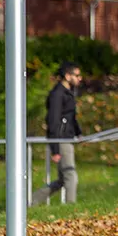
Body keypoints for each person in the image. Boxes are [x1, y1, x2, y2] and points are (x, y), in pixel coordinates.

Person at [31, 62, 83, 206]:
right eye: (77, 75)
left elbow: (71, 117)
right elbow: (53, 121)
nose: (80, 78)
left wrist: (78, 133)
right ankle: (71, 207)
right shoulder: (57, 94)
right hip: (61, 139)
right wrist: (55, 148)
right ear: (67, 76)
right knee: (70, 174)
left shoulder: (68, 93)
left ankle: (31, 201)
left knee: (62, 179)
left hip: (67, 137)